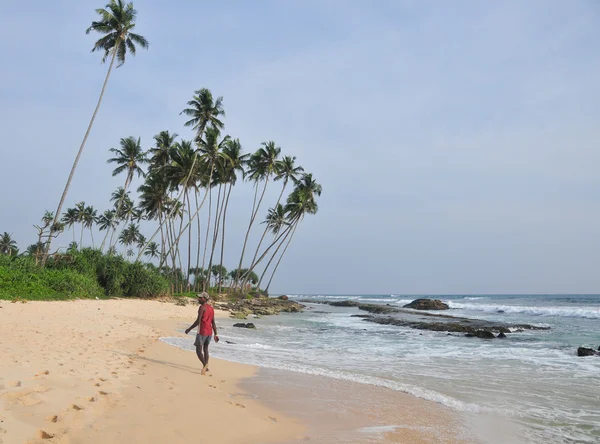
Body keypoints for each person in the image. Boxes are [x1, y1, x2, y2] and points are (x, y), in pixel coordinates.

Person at [185, 292, 219, 375]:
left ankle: (205, 364)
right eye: (199, 298)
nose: (199, 299)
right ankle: (205, 366)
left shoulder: (202, 307)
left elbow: (198, 321)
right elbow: (213, 322)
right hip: (209, 332)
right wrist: (216, 334)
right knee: (206, 349)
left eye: (200, 298)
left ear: (205, 299)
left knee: (198, 350)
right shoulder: (211, 308)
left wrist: (189, 329)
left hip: (202, 331)